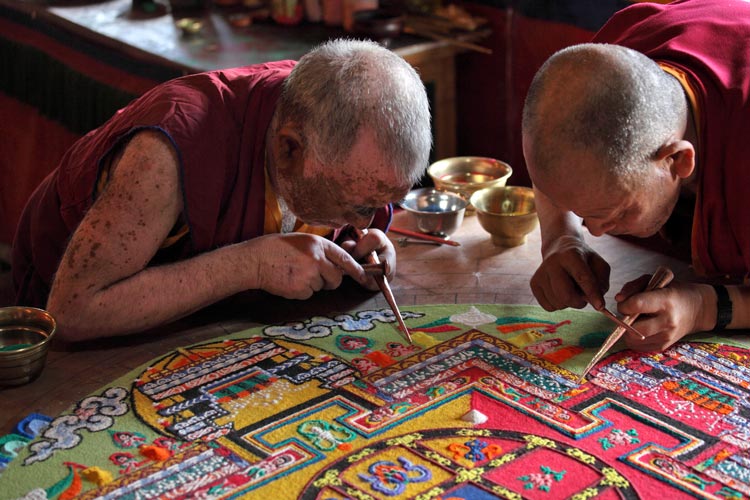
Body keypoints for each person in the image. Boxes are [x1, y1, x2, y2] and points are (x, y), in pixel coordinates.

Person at [11, 39, 432, 341]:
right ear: (288, 148)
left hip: (215, 326)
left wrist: (359, 242)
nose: (367, 218)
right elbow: (72, 309)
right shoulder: (169, 150)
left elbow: (332, 204)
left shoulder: (322, 125)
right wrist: (249, 266)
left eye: (380, 204)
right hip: (73, 338)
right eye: (359, 205)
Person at [521, 0, 750, 352]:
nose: (594, 232)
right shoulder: (609, 58)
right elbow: (554, 161)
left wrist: (703, 307)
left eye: (618, 211)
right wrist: (560, 236)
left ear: (677, 161)